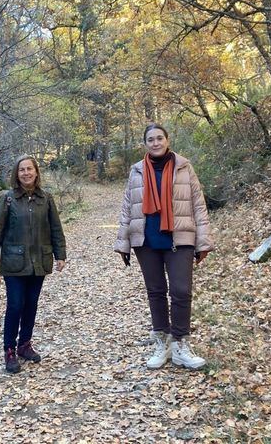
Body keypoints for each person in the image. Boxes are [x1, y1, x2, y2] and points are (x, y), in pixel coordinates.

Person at [115, 123, 214, 370]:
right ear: (145, 144)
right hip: (146, 241)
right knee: (156, 292)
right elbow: (128, 208)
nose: (156, 143)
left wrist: (203, 241)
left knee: (181, 291)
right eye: (151, 139)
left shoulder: (184, 166)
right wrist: (123, 242)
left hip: (179, 238)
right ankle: (162, 343)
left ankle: (181, 345)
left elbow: (198, 205)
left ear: (167, 140)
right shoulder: (137, 170)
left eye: (160, 138)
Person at [0, 155, 67, 374]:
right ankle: (9, 349)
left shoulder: (46, 199)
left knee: (31, 304)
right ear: (16, 174)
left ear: (36, 172)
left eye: (30, 169)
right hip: (14, 262)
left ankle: (25, 344)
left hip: (39, 261)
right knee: (15, 305)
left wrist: (60, 255)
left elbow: (56, 229)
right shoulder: (8, 199)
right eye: (22, 170)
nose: (26, 173)